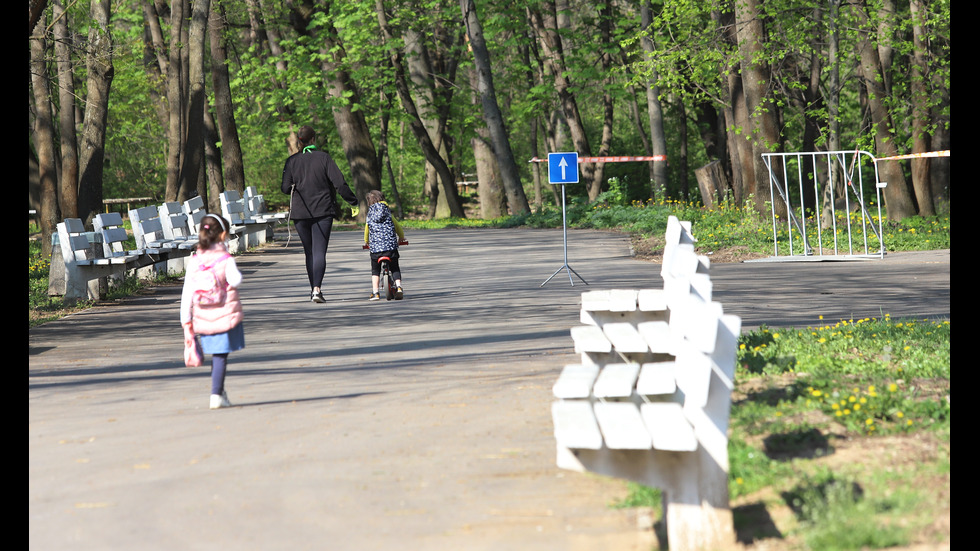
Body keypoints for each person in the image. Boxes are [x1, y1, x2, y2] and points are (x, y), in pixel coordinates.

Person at [281, 125, 358, 303]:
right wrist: (353, 201)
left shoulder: (292, 161)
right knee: (319, 252)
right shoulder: (324, 158)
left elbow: (285, 188)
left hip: (300, 213)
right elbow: (340, 183)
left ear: (299, 141)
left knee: (309, 252)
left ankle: (313, 291)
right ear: (313, 140)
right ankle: (317, 290)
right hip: (323, 211)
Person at [181, 214, 244, 410]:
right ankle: (216, 393)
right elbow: (236, 280)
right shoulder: (225, 259)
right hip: (224, 313)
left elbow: (187, 292)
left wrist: (186, 319)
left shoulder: (195, 261)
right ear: (223, 235)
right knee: (219, 355)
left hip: (202, 315)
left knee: (215, 355)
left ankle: (218, 390)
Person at [363, 190, 406, 300]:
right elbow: (397, 227)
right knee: (395, 267)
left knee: (375, 271)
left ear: (369, 202)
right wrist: (401, 238)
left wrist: (367, 241)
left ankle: (375, 292)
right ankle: (399, 286)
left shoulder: (370, 215)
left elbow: (367, 230)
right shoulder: (388, 213)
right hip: (390, 247)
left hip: (376, 249)